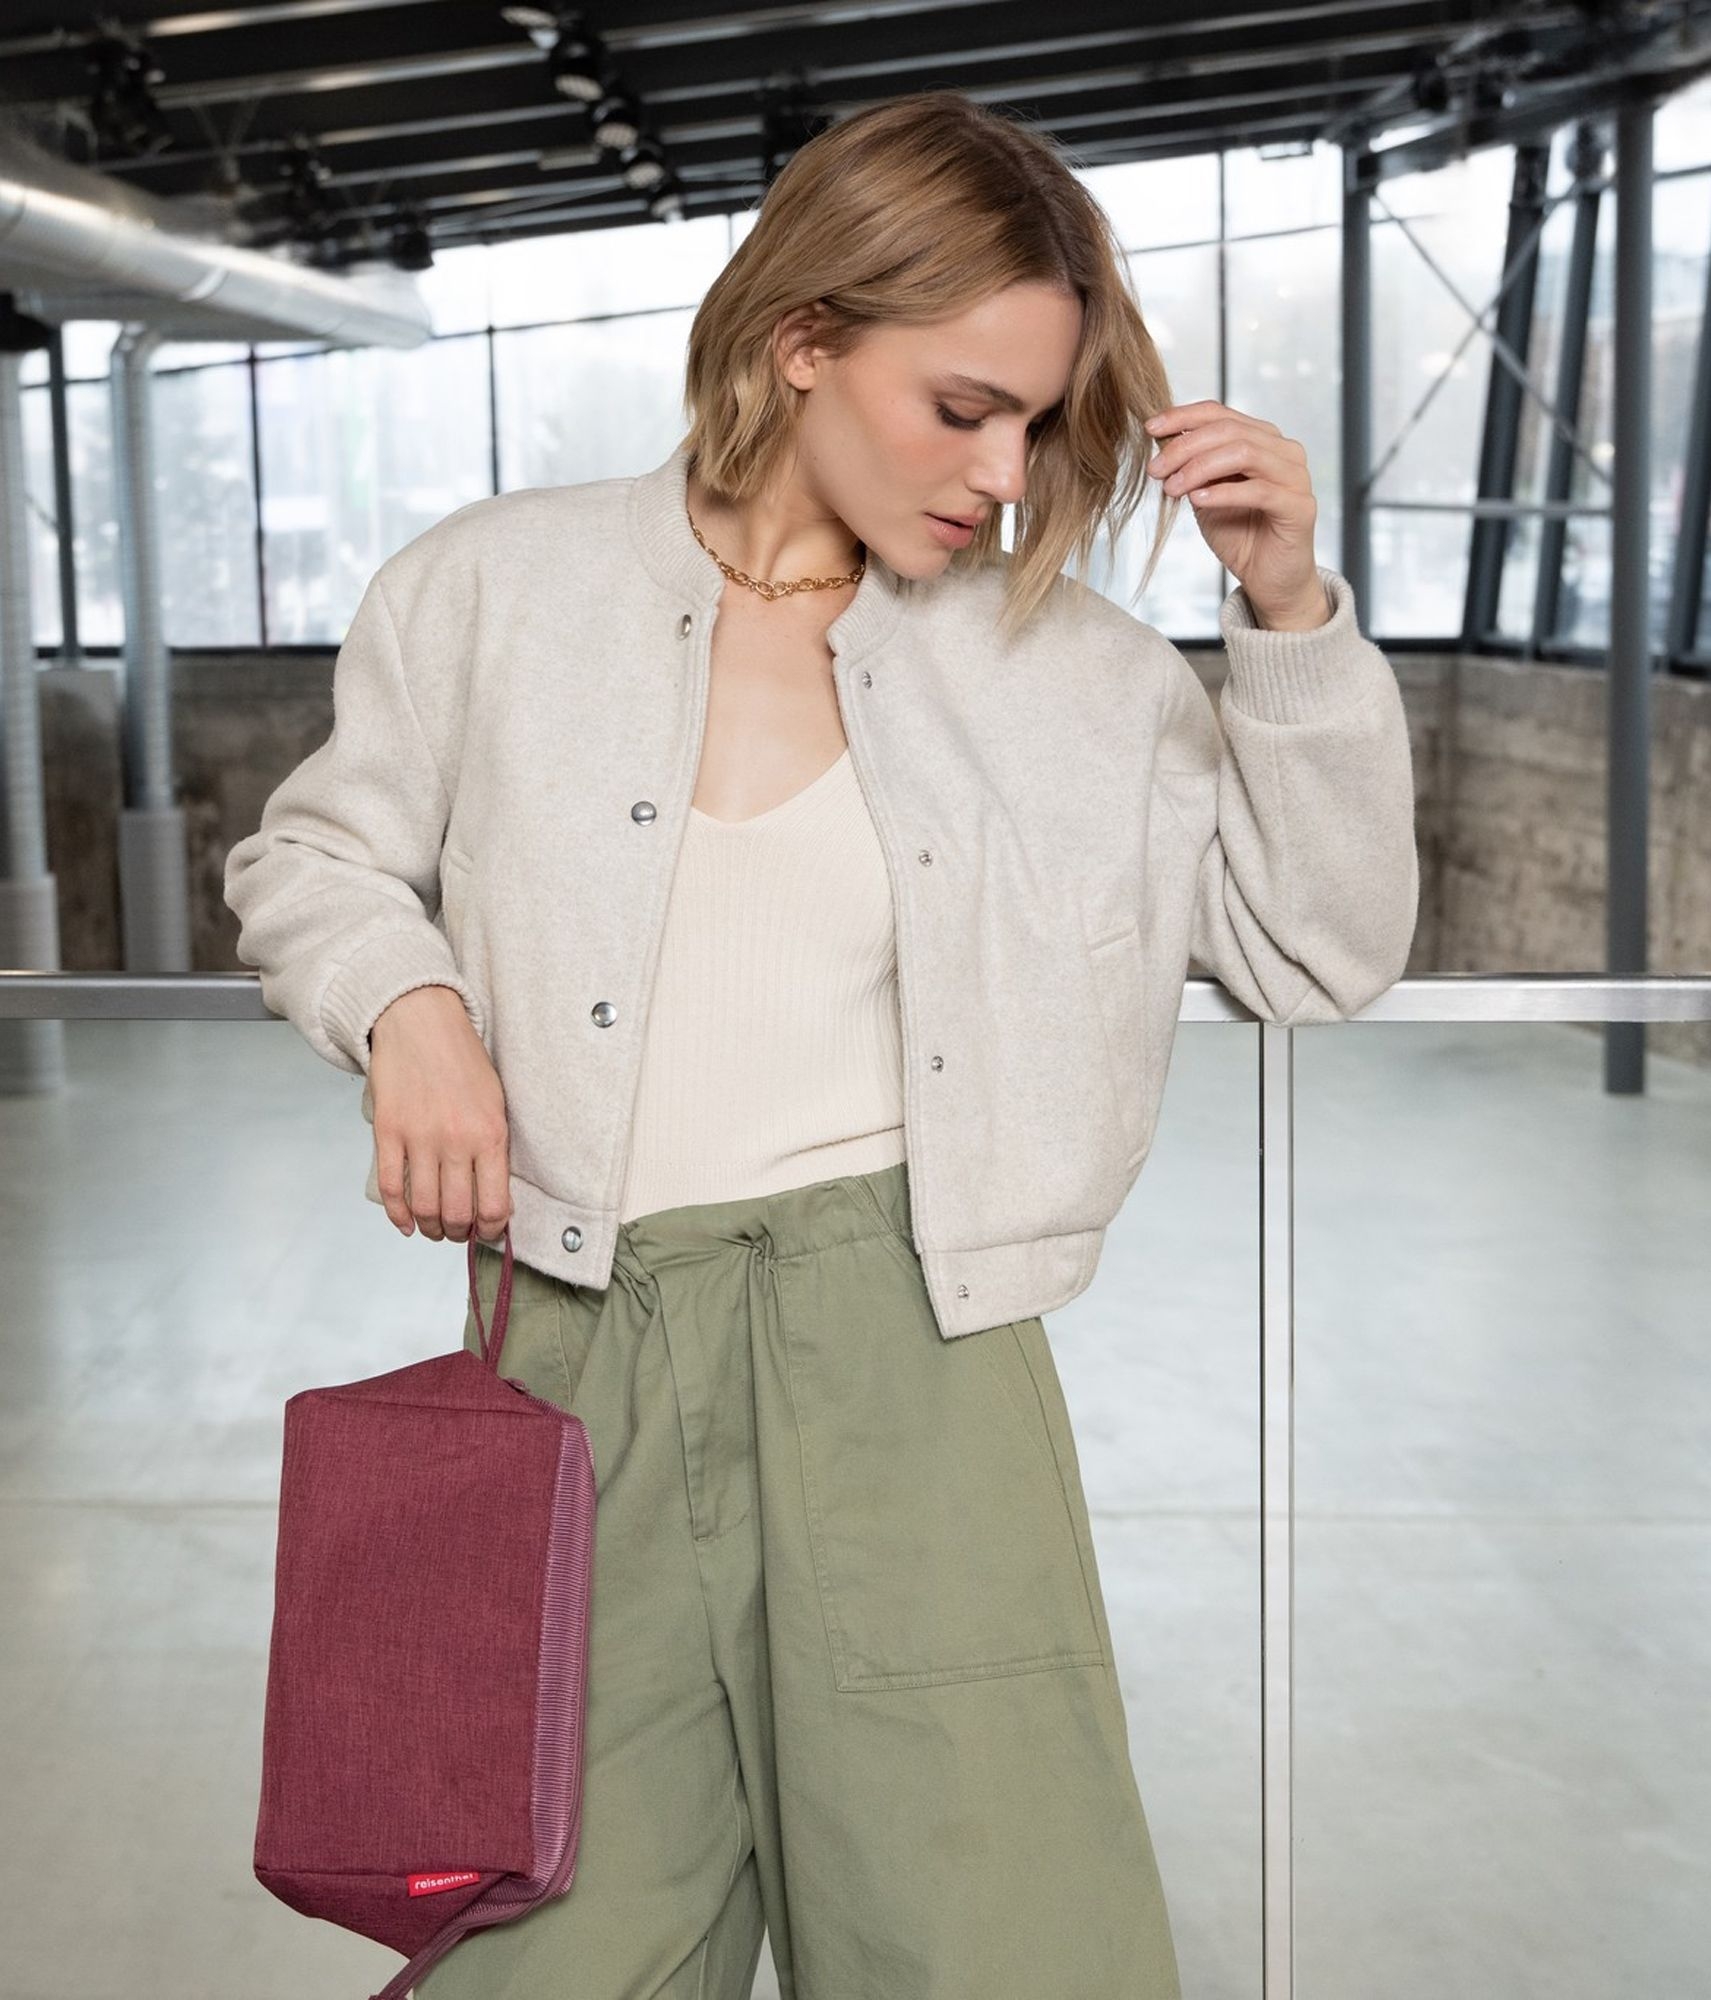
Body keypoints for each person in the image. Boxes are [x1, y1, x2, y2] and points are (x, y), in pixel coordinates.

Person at [223, 86, 1418, 2000]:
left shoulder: (1078, 677)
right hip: (573, 1355)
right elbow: (312, 857)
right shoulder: (493, 589)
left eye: (1035, 423)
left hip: (919, 1358)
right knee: (551, 1957)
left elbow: (1321, 940)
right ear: (802, 341)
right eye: (964, 408)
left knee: (992, 1954)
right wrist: (409, 1009)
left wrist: (1287, 609)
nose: (1006, 474)